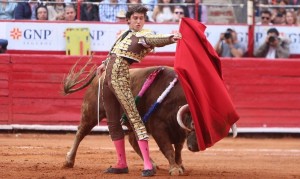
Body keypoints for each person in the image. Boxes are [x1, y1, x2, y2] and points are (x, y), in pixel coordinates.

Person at [96, 4, 181, 177]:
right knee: (113, 121)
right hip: (107, 79)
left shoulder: (144, 35)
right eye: (135, 18)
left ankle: (148, 165)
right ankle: (121, 163)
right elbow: (115, 53)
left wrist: (171, 38)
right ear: (128, 20)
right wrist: (103, 64)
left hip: (120, 77)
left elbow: (155, 40)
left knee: (134, 119)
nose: (138, 21)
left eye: (141, 18)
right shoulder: (126, 34)